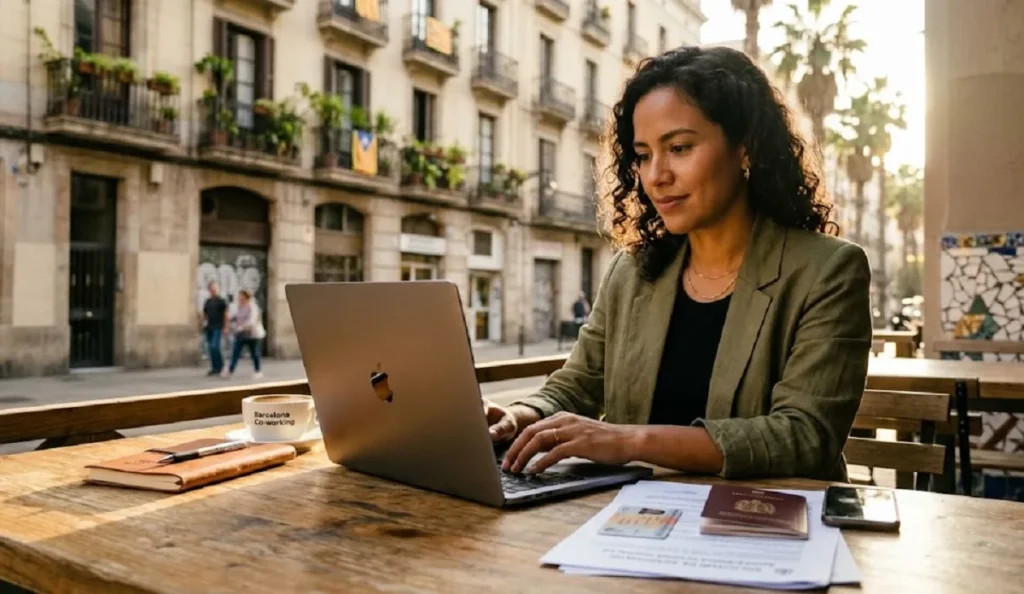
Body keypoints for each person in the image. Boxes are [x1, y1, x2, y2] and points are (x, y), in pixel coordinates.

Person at [485, 46, 872, 482]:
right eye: (644, 155)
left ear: (746, 148)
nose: (656, 175)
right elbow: (579, 383)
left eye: (680, 148)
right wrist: (520, 415)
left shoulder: (829, 270)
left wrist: (627, 441)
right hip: (637, 523)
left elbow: (804, 437)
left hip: (771, 526)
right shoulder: (630, 271)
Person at [222, 289, 266, 379]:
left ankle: (258, 371)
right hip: (241, 334)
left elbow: (252, 320)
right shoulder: (239, 306)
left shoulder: (253, 307)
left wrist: (242, 327)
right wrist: (230, 319)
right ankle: (230, 371)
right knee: (235, 352)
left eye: (241, 297)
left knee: (254, 353)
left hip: (253, 334)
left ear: (246, 297)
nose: (240, 299)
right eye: (239, 298)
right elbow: (236, 317)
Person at [200, 281, 228, 376]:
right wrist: (201, 323)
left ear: (218, 289)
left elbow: (226, 315)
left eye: (215, 288)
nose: (213, 290)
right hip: (209, 327)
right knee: (210, 348)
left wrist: (226, 327)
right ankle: (215, 368)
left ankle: (221, 366)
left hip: (218, 327)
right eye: (212, 289)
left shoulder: (221, 301)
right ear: (209, 290)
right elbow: (205, 314)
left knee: (214, 346)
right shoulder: (208, 301)